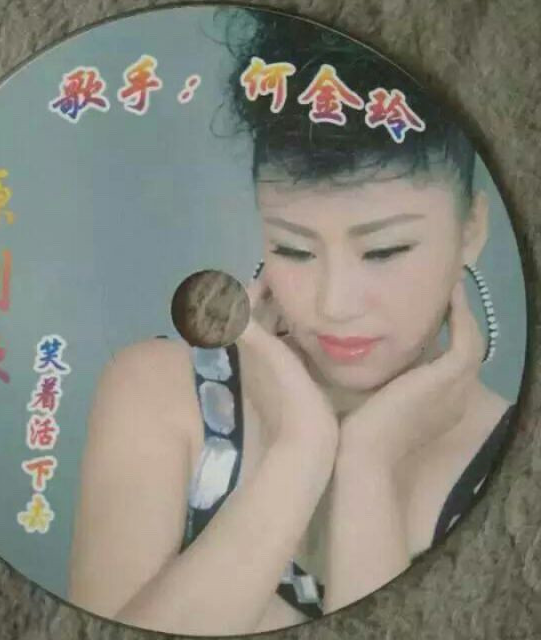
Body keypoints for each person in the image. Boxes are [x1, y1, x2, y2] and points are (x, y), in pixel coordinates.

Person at [68, 8, 516, 635]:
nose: (334, 304)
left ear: (471, 229)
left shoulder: (516, 459)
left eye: (384, 251)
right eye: (294, 249)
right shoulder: (162, 392)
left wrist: (367, 463)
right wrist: (301, 451)